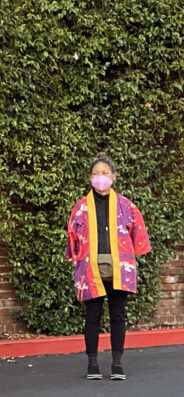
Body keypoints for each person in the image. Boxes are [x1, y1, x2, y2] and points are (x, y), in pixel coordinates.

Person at [66, 152, 150, 380]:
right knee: (92, 316)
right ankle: (92, 363)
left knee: (118, 316)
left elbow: (138, 235)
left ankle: (117, 363)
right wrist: (76, 264)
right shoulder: (81, 207)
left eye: (104, 173)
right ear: (90, 178)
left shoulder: (126, 206)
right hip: (90, 267)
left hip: (119, 267)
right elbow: (72, 237)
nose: (100, 178)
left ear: (113, 176)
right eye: (95, 174)